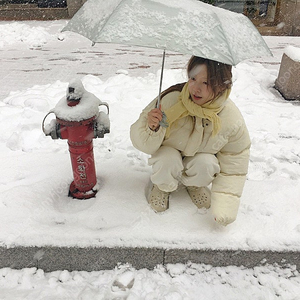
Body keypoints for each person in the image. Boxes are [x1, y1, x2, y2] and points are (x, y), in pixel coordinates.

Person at [130, 56, 251, 226]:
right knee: (167, 159)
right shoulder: (170, 101)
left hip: (198, 156)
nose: (196, 88)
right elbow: (139, 141)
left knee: (207, 163)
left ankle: (194, 185)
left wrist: (225, 206)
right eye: (193, 78)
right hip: (169, 153)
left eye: (206, 83)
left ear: (222, 85)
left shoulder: (230, 118)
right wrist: (151, 128)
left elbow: (235, 161)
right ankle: (163, 186)